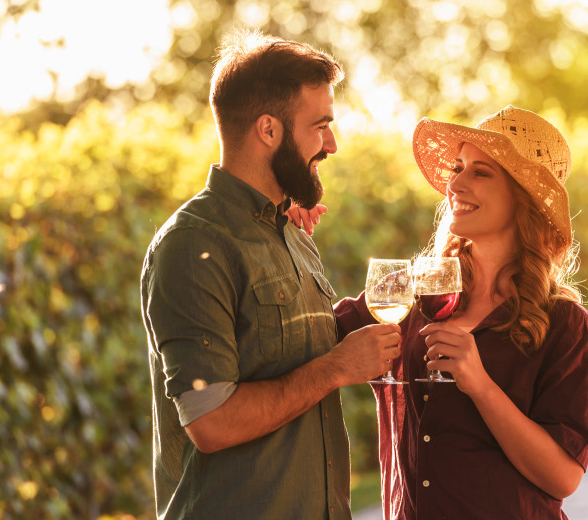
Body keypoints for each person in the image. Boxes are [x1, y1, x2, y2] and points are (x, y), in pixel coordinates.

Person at [139, 30, 402, 520]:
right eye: (320, 125)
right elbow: (212, 423)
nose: (333, 144)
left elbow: (289, 349)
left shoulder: (293, 231)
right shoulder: (195, 244)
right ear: (268, 130)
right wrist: (338, 368)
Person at [333, 105, 588, 519]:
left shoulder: (567, 328)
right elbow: (316, 335)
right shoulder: (411, 290)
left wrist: (479, 384)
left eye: (481, 172)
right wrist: (290, 228)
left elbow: (562, 477)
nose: (455, 184)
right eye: (458, 167)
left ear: (523, 198)